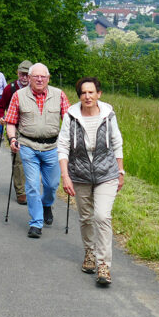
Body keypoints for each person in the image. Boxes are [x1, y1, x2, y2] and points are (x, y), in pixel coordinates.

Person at [58, 77, 124, 286]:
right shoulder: (71, 115)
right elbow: (63, 145)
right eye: (83, 93)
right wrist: (65, 175)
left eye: (91, 92)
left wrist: (120, 170)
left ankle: (104, 265)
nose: (87, 96)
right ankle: (90, 253)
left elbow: (116, 142)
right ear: (79, 96)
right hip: (80, 174)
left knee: (102, 216)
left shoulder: (108, 114)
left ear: (99, 94)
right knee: (86, 217)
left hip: (107, 173)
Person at [4, 62, 70, 239]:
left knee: (51, 185)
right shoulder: (18, 95)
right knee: (32, 185)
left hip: (53, 147)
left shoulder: (59, 95)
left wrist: (71, 143)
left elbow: (69, 121)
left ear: (48, 78)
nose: (39, 79)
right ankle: (36, 223)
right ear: (30, 78)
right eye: (36, 76)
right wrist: (12, 139)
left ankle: (47, 204)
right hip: (28, 146)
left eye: (43, 77)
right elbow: (10, 121)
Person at [0, 61, 32, 205]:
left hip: (31, 128)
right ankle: (21, 192)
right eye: (22, 74)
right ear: (18, 73)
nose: (24, 77)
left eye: (27, 75)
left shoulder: (37, 88)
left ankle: (31, 187)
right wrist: (1, 117)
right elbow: (0, 106)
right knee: (19, 159)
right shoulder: (10, 89)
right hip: (14, 128)